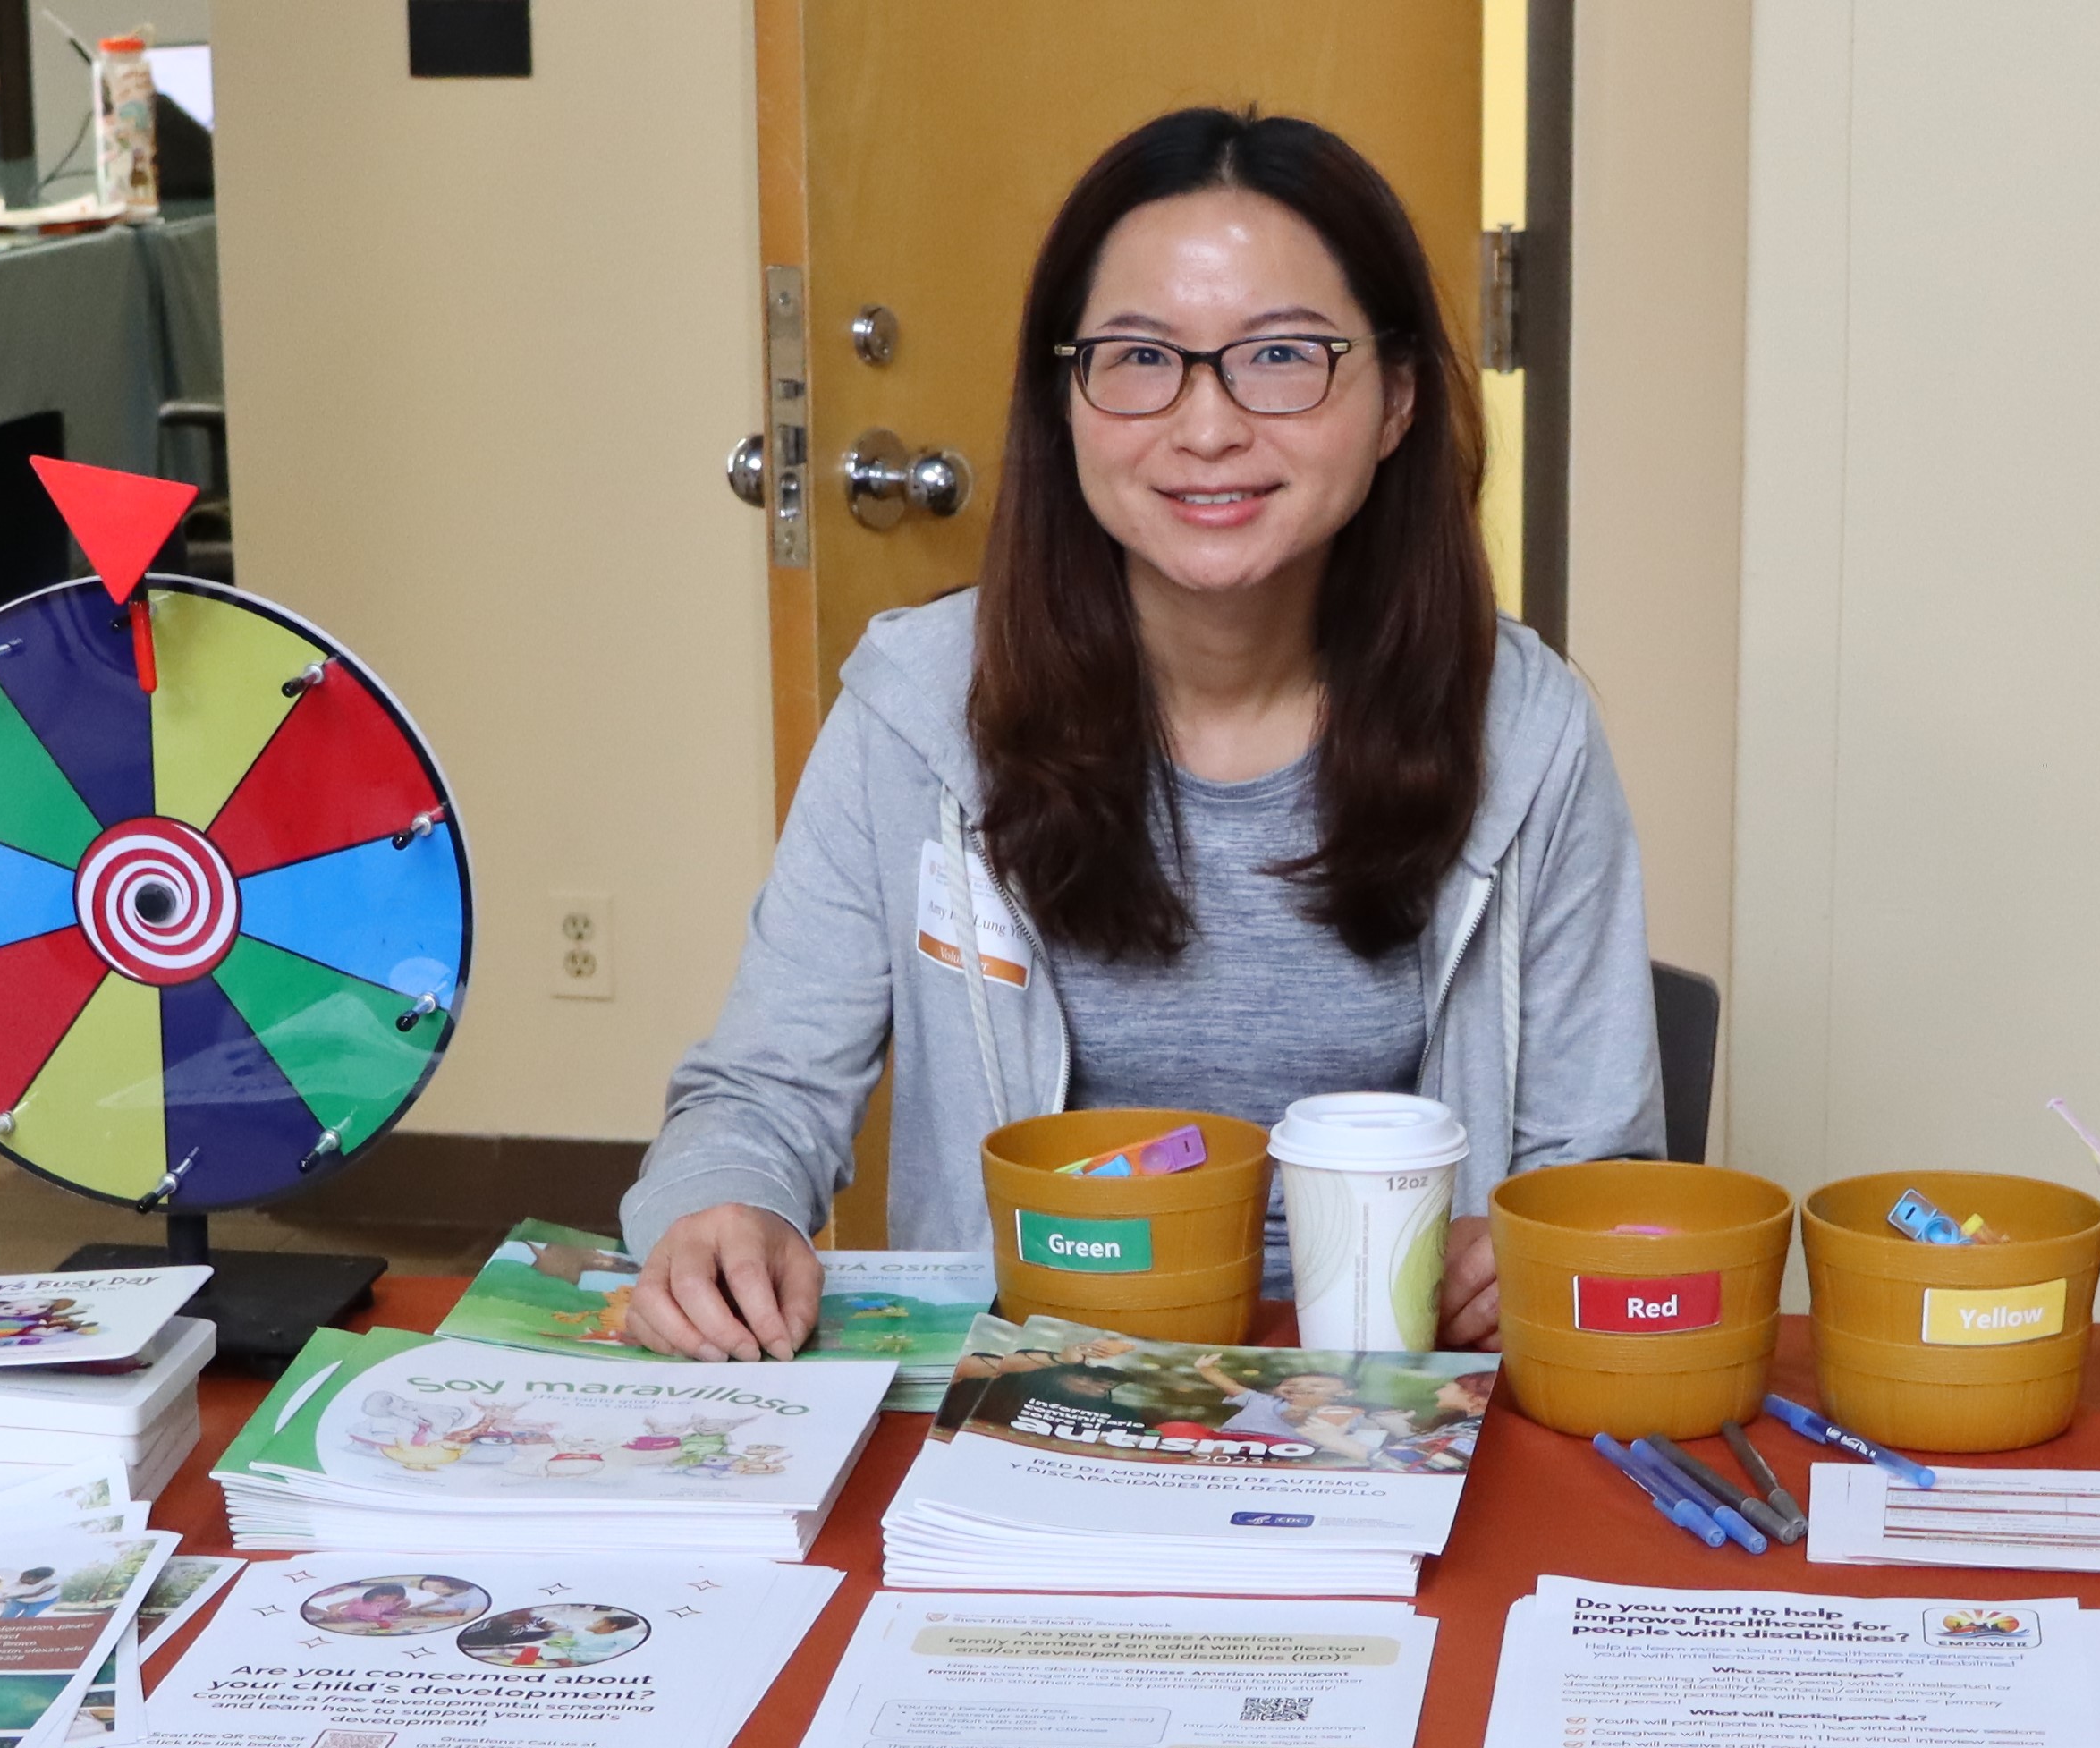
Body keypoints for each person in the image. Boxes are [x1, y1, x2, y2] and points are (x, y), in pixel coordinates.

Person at [619, 106, 1664, 1364]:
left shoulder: (1525, 729)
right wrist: (714, 1209)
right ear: (1064, 400)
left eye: (1281, 357)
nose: (1207, 425)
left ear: (1395, 398)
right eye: (1139, 357)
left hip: (1385, 1388)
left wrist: (1534, 1243)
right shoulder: (918, 708)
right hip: (1029, 1371)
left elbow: (1598, 1169)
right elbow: (762, 1091)